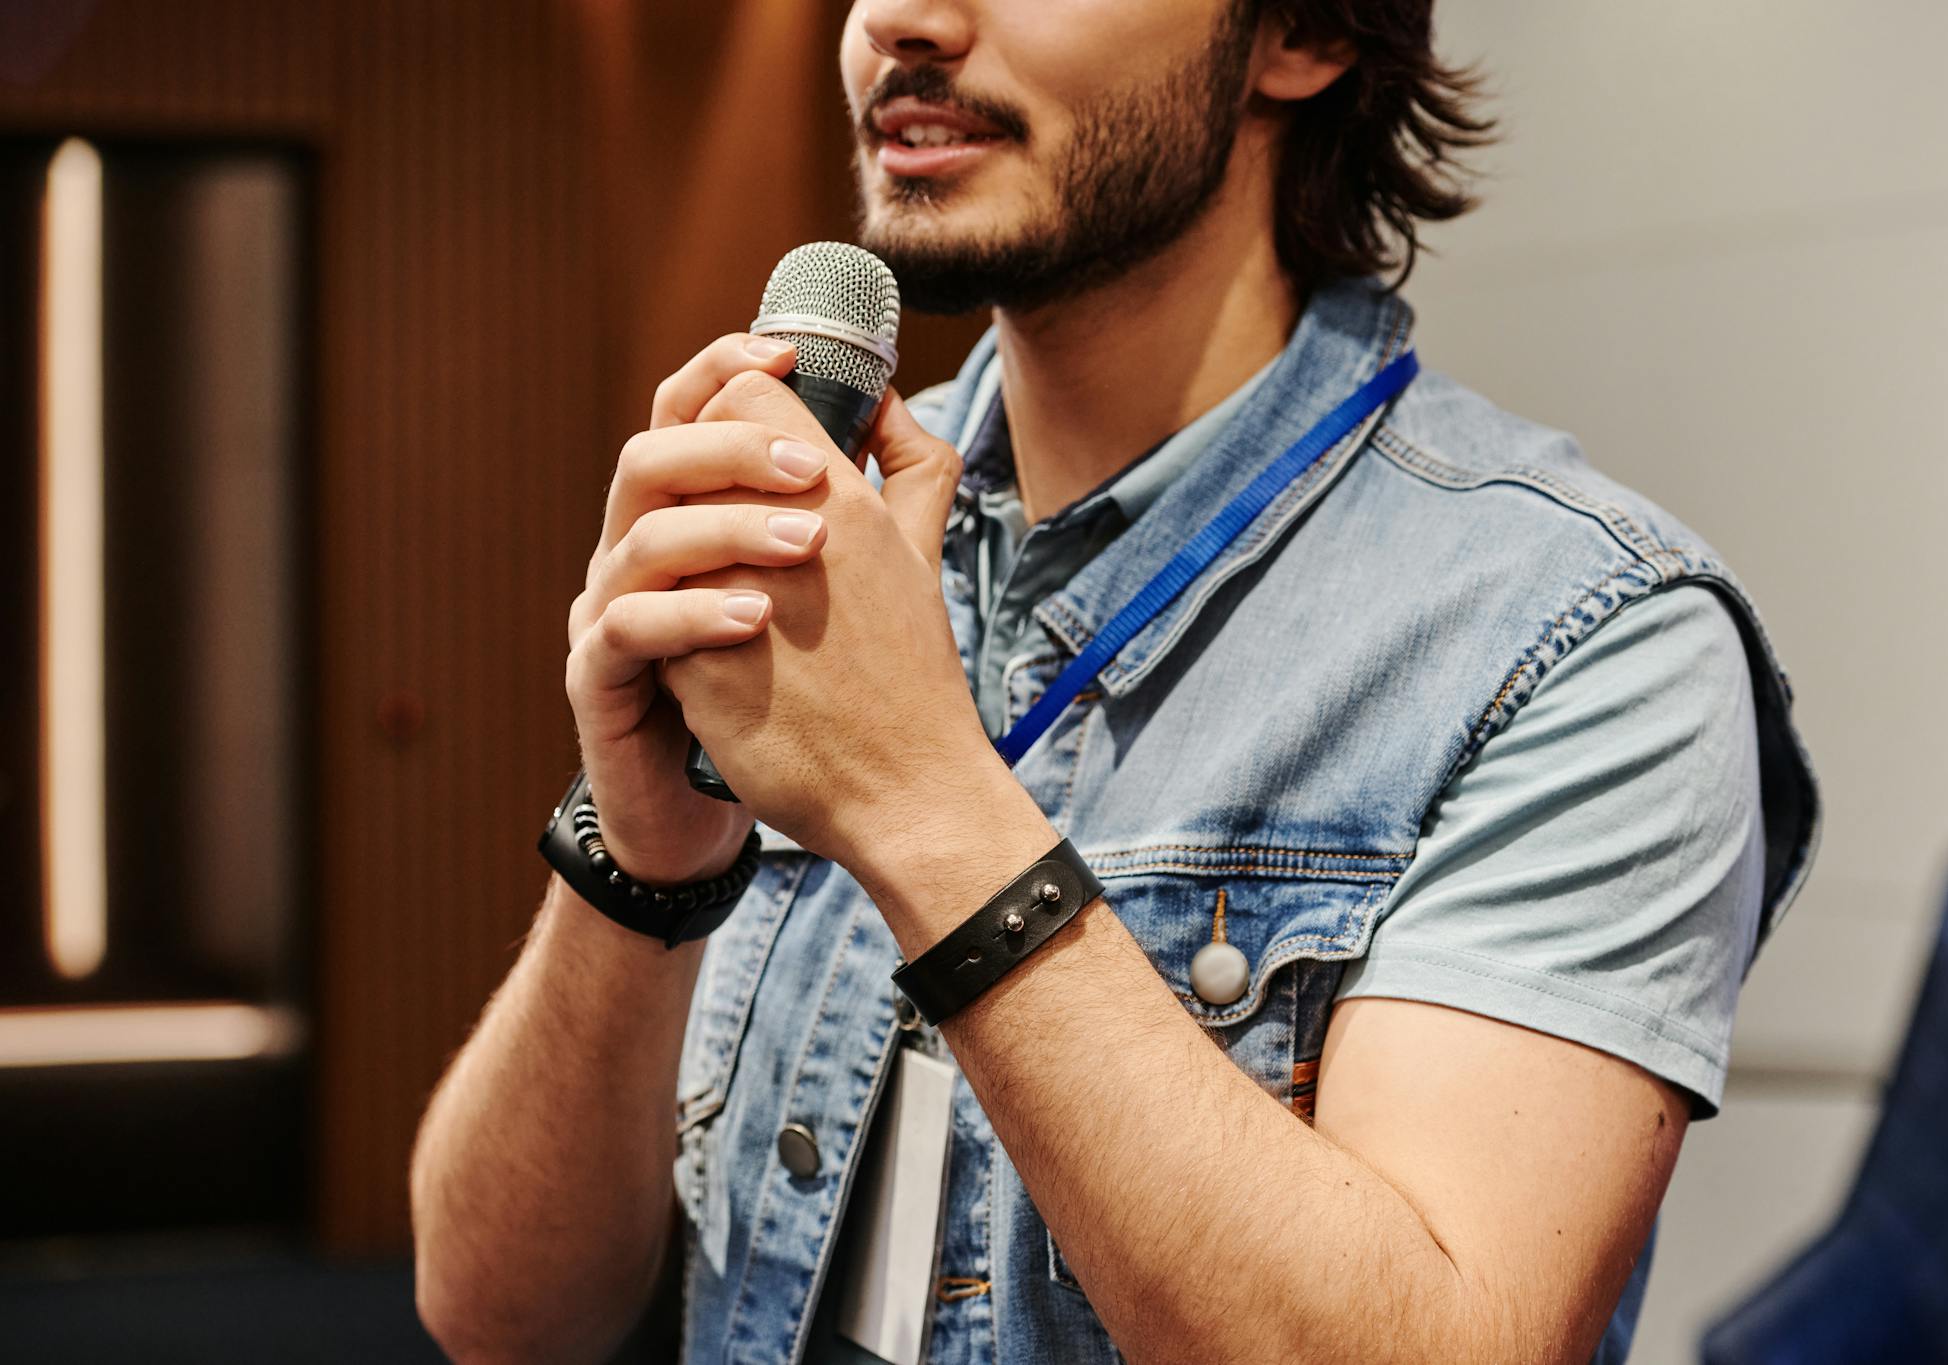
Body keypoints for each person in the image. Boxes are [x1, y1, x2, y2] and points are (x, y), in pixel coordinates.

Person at [410, 1, 1821, 1361]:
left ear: (1304, 32)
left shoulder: (1586, 637)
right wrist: (641, 868)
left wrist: (923, 803)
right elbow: (497, 1314)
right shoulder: (816, 522)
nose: (901, 20)